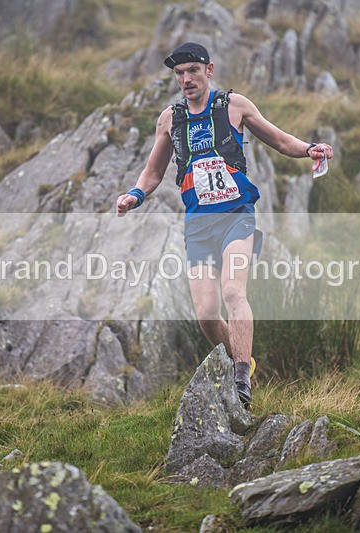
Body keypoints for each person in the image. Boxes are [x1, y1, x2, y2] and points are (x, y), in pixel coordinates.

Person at [115, 42, 333, 409]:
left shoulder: (234, 105)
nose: (186, 79)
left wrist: (309, 148)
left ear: (208, 70)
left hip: (237, 215)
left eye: (192, 71)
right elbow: (153, 172)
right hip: (199, 224)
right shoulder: (170, 119)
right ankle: (242, 358)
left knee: (234, 292)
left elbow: (279, 139)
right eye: (179, 74)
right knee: (205, 314)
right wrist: (135, 195)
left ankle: (242, 379)